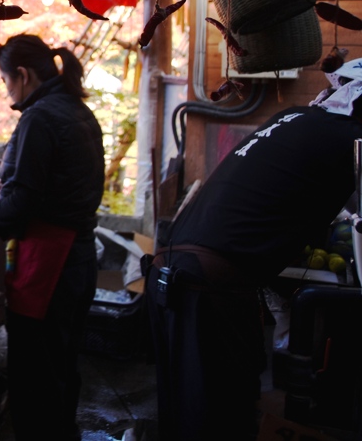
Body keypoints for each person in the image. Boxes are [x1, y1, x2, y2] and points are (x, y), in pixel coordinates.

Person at [146, 59, 362, 441]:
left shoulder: (298, 117)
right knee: (220, 419)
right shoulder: (350, 138)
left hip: (172, 269)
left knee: (183, 415)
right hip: (208, 284)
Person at [0, 34, 105, 441]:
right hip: (79, 259)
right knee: (62, 367)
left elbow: (20, 207)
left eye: (5, 82)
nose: (5, 92)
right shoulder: (77, 109)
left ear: (22, 75)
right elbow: (60, 184)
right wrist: (13, 183)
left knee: (34, 378)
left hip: (50, 267)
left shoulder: (39, 117)